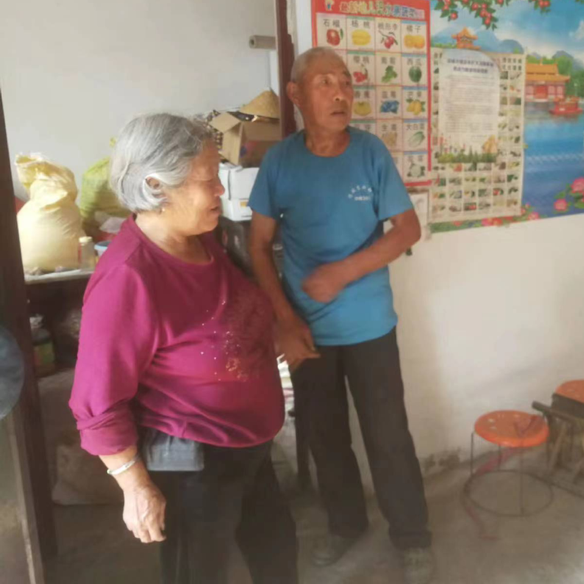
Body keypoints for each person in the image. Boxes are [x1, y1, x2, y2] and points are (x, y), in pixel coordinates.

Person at [69, 114, 297, 584]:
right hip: (195, 465)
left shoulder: (205, 239)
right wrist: (134, 485)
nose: (220, 190)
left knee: (277, 559)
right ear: (157, 186)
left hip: (251, 446)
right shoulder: (128, 278)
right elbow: (97, 403)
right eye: (207, 179)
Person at [248, 47, 433, 584]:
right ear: (296, 95)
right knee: (325, 436)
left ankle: (412, 536)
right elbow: (258, 246)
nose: (340, 93)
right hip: (307, 331)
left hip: (371, 325)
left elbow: (407, 230)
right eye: (325, 82)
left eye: (346, 82)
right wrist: (284, 320)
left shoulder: (370, 153)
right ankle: (345, 524)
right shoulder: (280, 162)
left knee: (388, 435)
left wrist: (342, 273)